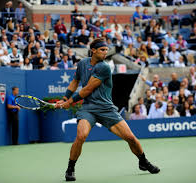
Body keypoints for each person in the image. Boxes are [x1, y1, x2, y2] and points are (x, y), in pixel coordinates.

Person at [55, 38, 160, 181]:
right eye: (102, 50)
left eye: (106, 50)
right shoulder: (82, 64)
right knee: (81, 136)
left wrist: (70, 101)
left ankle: (143, 161)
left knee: (130, 137)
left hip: (106, 109)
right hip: (88, 109)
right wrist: (65, 97)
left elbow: (87, 89)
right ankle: (70, 168)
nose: (105, 52)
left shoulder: (104, 67)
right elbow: (75, 81)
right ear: (93, 50)